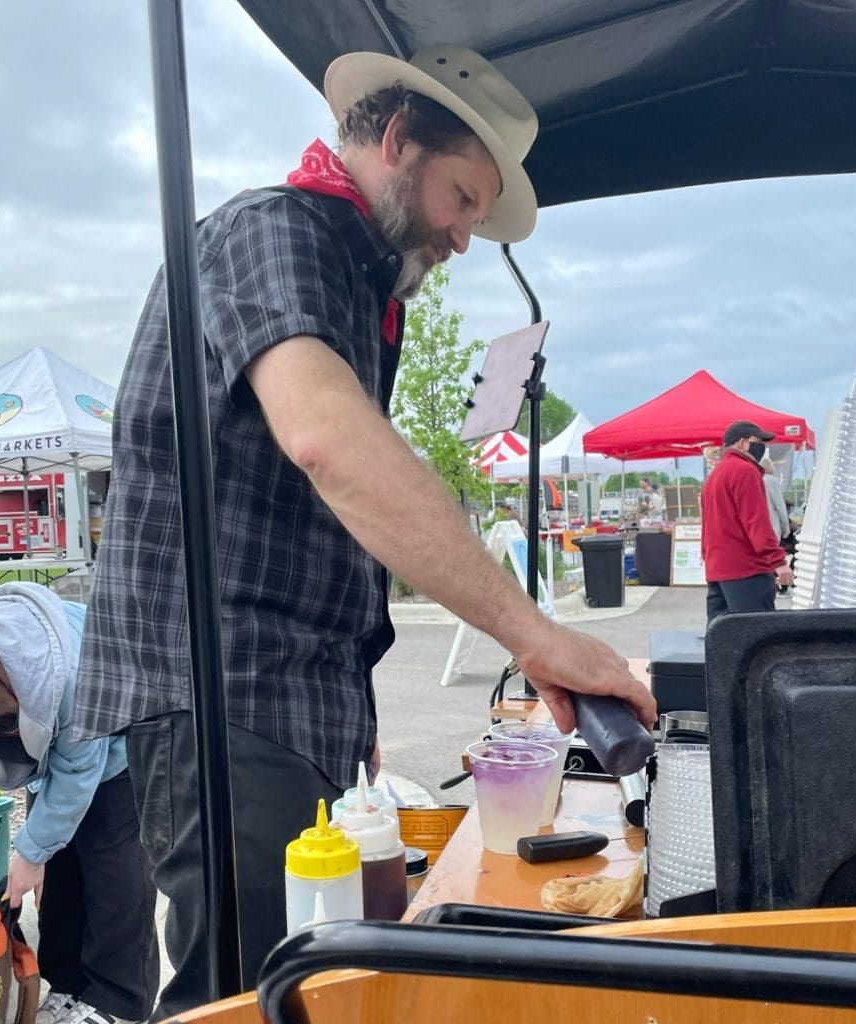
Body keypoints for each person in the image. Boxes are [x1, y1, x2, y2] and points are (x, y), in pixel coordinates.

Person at [73, 44, 656, 1018]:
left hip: (292, 697)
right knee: (251, 988)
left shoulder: (349, 276)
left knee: (308, 972)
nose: (464, 236)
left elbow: (320, 517)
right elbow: (329, 445)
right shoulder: (276, 231)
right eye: (463, 198)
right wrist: (534, 632)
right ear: (396, 141)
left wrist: (354, 720)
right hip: (224, 687)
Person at [0, 583, 159, 1024]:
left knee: (114, 874)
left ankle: (117, 1003)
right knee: (58, 882)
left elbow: (80, 769)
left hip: (116, 739)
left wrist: (31, 851)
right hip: (50, 752)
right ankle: (67, 988)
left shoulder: (63, 678)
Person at [701, 421, 794, 622]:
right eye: (758, 441)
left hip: (718, 570)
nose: (763, 447)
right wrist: (778, 561)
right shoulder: (745, 471)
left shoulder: (715, 475)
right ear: (743, 443)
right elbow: (756, 521)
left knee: (722, 637)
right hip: (747, 570)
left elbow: (708, 525)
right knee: (757, 637)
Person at [759, 456, 791, 542]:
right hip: (772, 527)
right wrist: (786, 527)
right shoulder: (771, 481)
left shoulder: (755, 480)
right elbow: (780, 506)